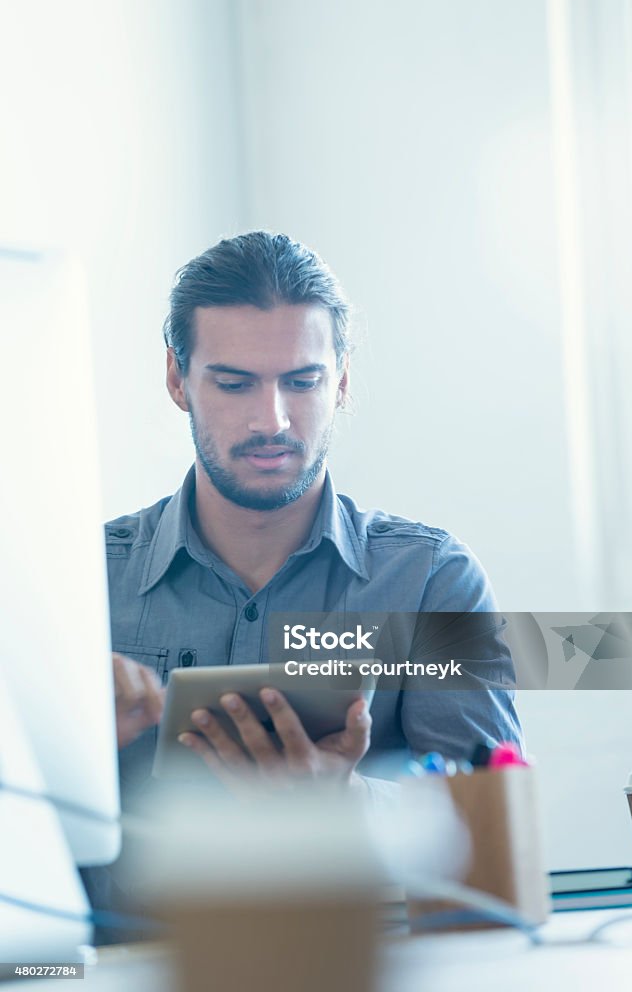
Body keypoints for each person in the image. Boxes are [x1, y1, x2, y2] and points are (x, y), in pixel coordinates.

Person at [109, 231, 522, 799]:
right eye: (234, 384)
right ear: (177, 379)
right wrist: (67, 752)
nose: (271, 421)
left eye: (302, 382)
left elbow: (489, 832)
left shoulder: (429, 580)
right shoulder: (88, 584)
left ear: (342, 380)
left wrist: (346, 799)